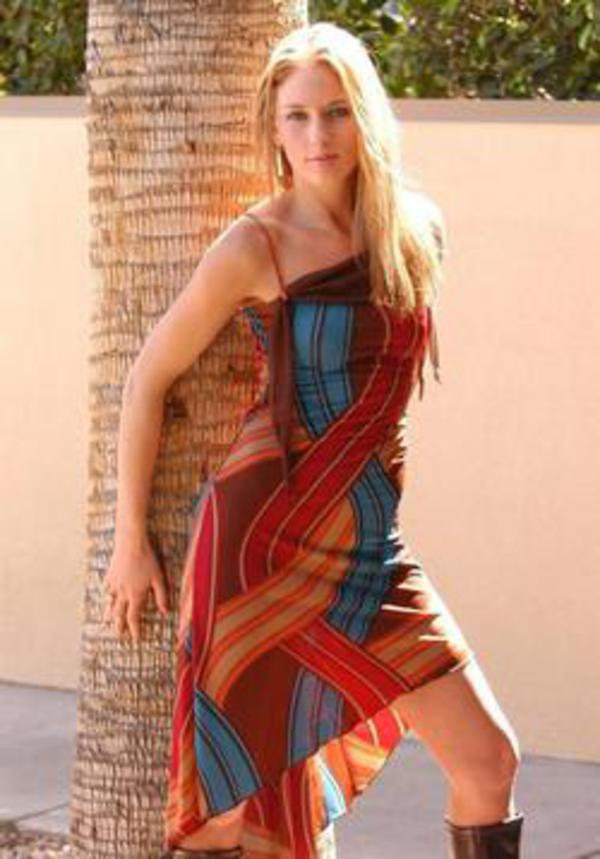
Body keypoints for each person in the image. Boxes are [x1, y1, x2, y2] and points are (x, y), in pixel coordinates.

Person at [102, 21, 524, 859]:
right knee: (235, 809)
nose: (317, 135)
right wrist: (128, 539)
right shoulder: (253, 245)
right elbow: (148, 378)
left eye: (335, 112)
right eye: (297, 116)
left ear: (365, 118)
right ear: (273, 126)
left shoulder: (416, 232)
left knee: (489, 758)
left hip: (371, 552)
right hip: (261, 554)